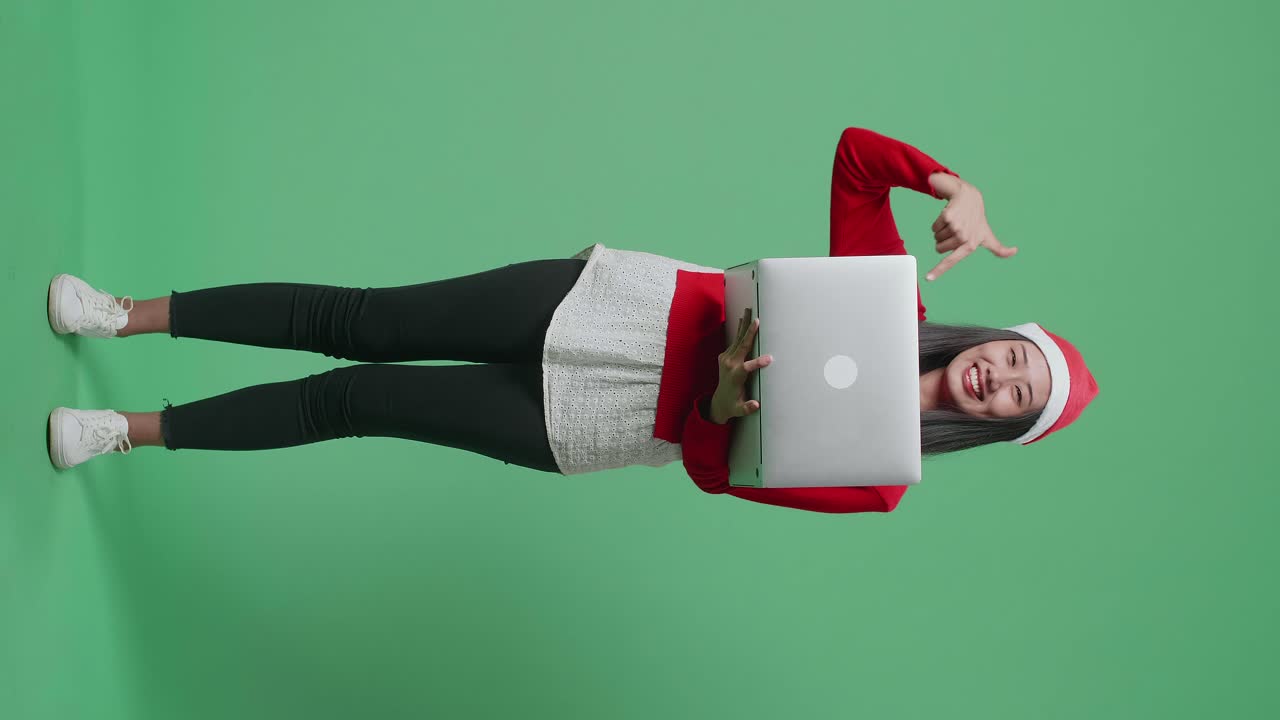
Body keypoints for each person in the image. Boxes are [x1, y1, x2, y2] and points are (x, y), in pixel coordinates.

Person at [46, 127, 1098, 515]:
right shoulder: (890, 298)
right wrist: (948, 183)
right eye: (1010, 359)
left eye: (1013, 399)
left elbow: (710, 470)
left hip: (589, 426)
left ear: (997, 428)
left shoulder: (877, 481)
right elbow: (854, 156)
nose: (994, 379)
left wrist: (719, 403)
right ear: (992, 338)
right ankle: (122, 315)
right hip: (612, 302)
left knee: (355, 400)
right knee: (357, 318)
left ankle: (128, 434)